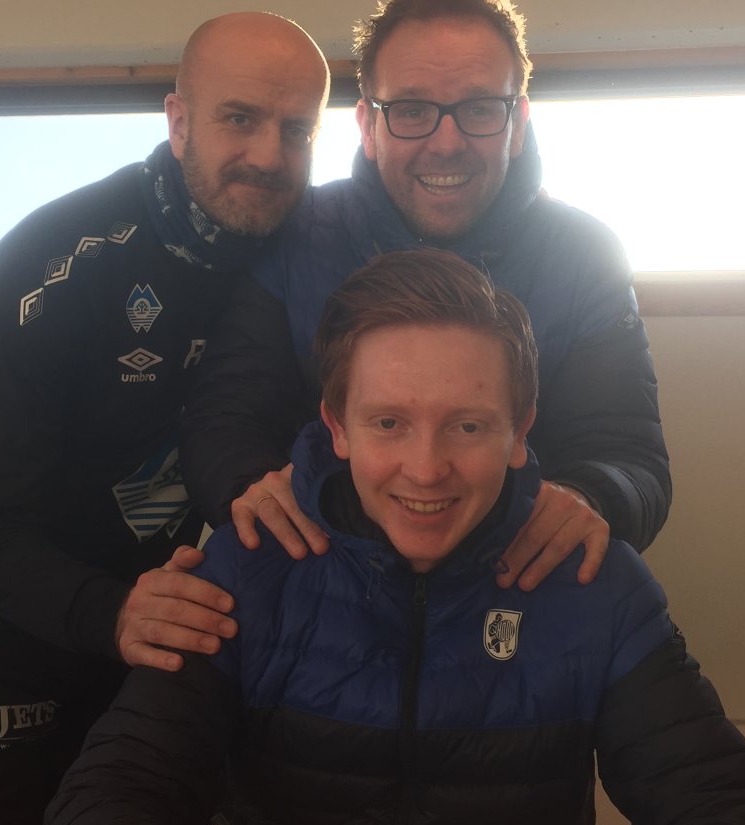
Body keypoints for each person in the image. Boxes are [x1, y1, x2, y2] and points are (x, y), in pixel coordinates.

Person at [44, 248, 745, 825]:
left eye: (467, 426)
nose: (426, 468)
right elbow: (98, 810)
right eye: (389, 423)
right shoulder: (247, 569)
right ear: (337, 427)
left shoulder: (595, 585)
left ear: (519, 431)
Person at [0, 14, 330, 825]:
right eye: (239, 119)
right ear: (178, 121)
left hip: (159, 622)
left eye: (296, 130)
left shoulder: (300, 254)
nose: (268, 156)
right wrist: (115, 611)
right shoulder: (57, 260)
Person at [182, 0, 670, 592]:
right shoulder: (292, 234)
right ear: (367, 126)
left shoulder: (585, 253)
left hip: (517, 593)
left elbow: (630, 456)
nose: (446, 142)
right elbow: (224, 419)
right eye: (411, 110)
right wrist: (247, 486)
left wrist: (590, 497)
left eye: (480, 108)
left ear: (518, 122)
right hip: (316, 584)